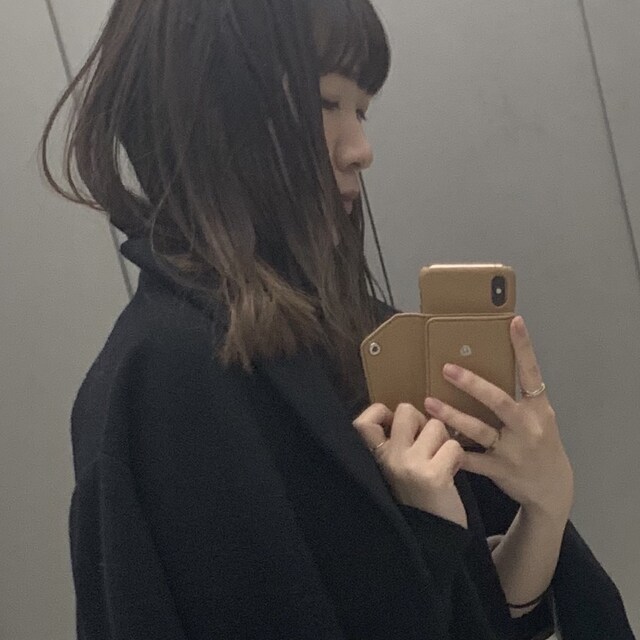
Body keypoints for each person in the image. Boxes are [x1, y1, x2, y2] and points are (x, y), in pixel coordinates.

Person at [41, 1, 635, 638]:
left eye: (363, 110)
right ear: (214, 105)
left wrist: (544, 507)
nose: (361, 149)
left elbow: (485, 616)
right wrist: (424, 536)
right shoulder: (161, 391)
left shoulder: (359, 337)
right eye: (328, 103)